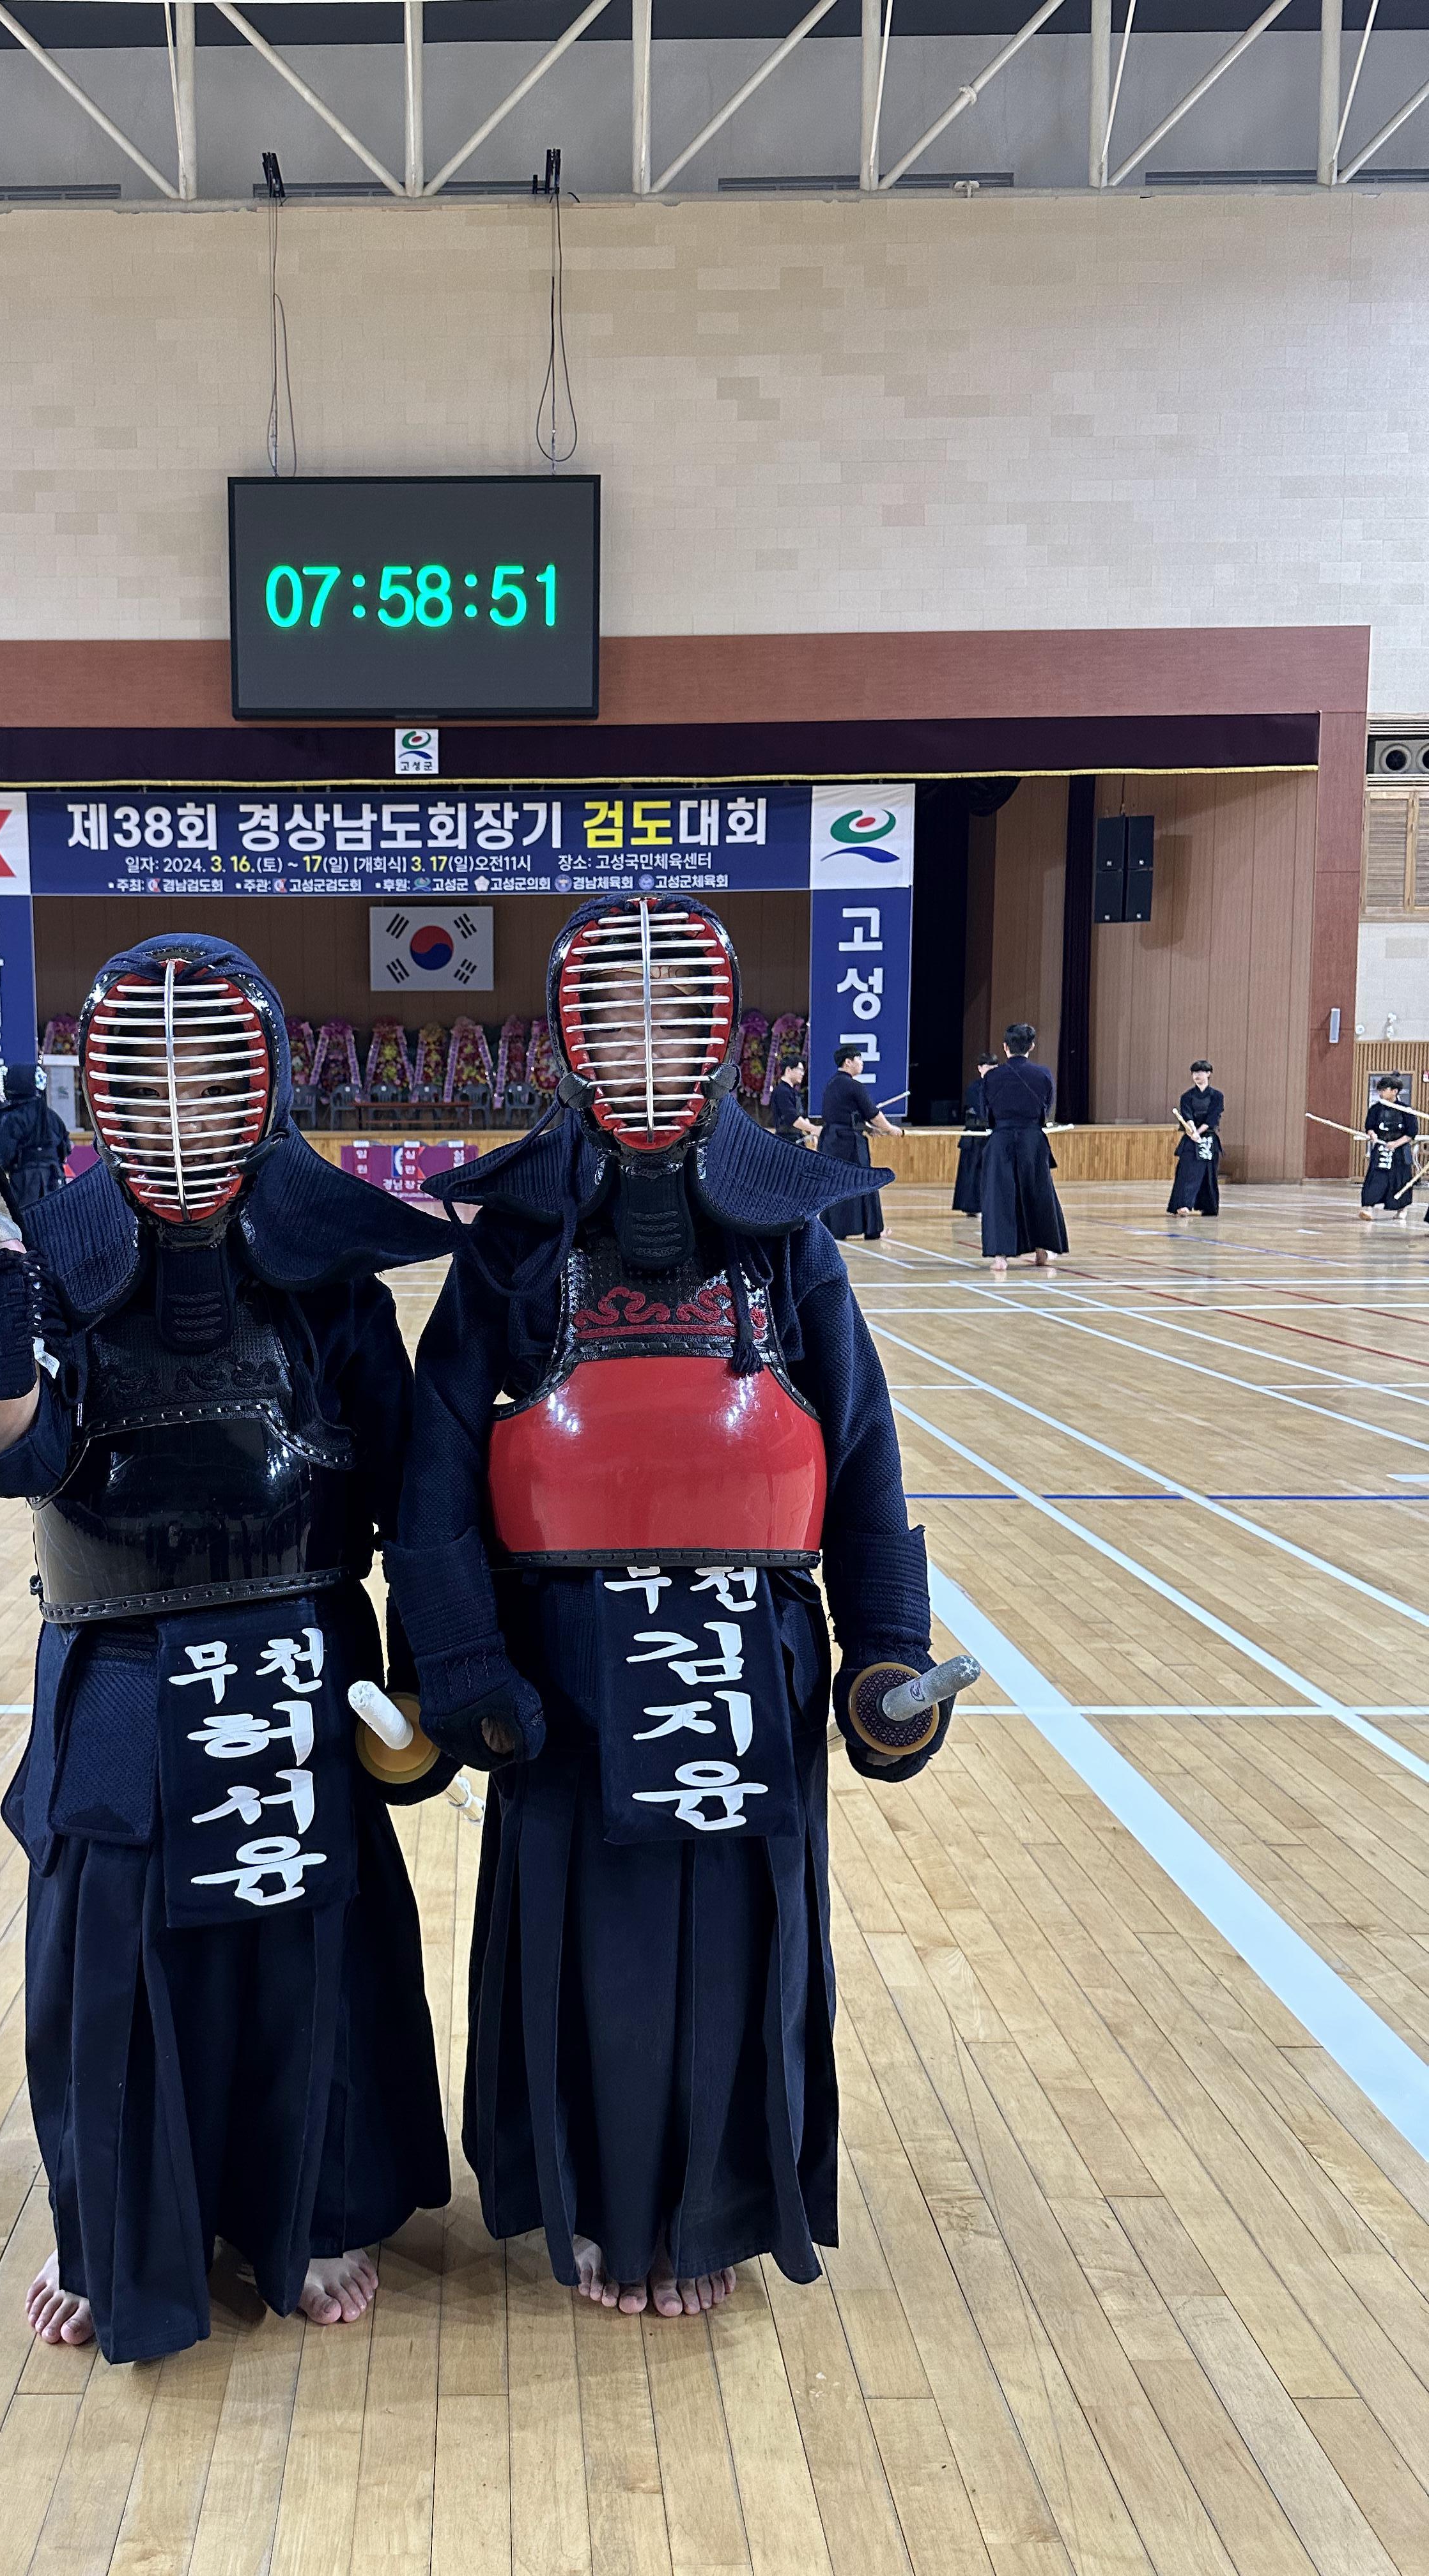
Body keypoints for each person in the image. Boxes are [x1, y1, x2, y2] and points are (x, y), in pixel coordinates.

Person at [387, 894, 956, 2323]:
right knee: (589, 1944)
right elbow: (435, 1468)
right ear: (572, 1038)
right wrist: (457, 1658)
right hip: (566, 1663)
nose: (643, 1045)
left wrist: (884, 1651)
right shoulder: (514, 1241)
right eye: (614, 1016)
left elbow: (862, 1449)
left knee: (733, 1947)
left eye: (671, 1016)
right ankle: (591, 2204)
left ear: (715, 1037)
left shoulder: (785, 1237)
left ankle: (710, 2210)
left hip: (749, 1651)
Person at [0, 931, 458, 2362]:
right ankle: (110, 2225)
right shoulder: (57, 1268)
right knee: (107, 1950)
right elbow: (17, 1458)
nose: (181, 1119)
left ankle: (310, 2205)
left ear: (262, 1093)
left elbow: (408, 1495)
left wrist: (423, 1673)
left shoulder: (333, 1286)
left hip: (300, 1649)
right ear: (108, 1104)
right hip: (119, 1663)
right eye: (146, 1093)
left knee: (302, 1947)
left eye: (208, 1086)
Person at [980, 1022, 1069, 1278]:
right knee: (1038, 1193)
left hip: (1001, 1139)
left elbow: (986, 1112)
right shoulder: (1042, 1074)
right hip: (1033, 1139)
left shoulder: (992, 1077)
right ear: (1032, 1046)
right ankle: (1042, 1252)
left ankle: (1000, 1258)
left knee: (1000, 1195)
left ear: (1005, 1047)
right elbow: (1047, 1108)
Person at [816, 1047, 898, 1242]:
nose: (862, 1064)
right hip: (849, 1143)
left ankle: (836, 1229)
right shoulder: (854, 1086)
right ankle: (873, 1230)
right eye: (859, 1060)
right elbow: (873, 1114)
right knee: (864, 1181)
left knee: (836, 1183)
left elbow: (846, 1114)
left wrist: (867, 1129)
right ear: (848, 1062)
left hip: (831, 1140)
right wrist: (891, 1129)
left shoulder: (831, 1085)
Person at [0, 1062, 70, 1211]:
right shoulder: (52, 1116)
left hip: (25, 1182)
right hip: (54, 1178)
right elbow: (65, 1149)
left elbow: (3, 1154)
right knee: (55, 1218)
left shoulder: (14, 1117)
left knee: (28, 1220)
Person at [1167, 1059, 1224, 1218]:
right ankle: (1183, 1205)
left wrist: (1199, 1132)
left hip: (1208, 1140)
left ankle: (1208, 1207)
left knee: (1207, 1174)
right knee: (1187, 1172)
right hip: (1190, 1140)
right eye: (1194, 1073)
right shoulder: (1187, 1096)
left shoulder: (1217, 1096)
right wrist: (1192, 1131)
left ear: (1208, 1074)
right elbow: (1187, 1115)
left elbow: (1213, 1117)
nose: (1197, 1076)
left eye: (1200, 1072)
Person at [1361, 1076, 1418, 1222]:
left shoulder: (1406, 1110)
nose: (1381, 1093)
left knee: (1400, 1180)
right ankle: (1368, 1208)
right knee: (1376, 1178)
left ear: (1394, 1091)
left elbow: (1411, 1133)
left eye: (1384, 1090)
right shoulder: (1376, 1109)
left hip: (1400, 1152)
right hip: (1381, 1149)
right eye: (1380, 1090)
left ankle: (1402, 1209)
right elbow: (1370, 1127)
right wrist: (1372, 1135)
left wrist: (1396, 1143)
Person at [952, 1054, 998, 1220]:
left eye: (994, 1068)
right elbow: (981, 1109)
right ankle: (973, 1207)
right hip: (976, 1134)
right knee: (973, 1171)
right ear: (980, 1068)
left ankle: (993, 1205)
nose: (991, 1071)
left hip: (993, 1134)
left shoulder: (1001, 1086)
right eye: (988, 1067)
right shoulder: (974, 1087)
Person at [768, 1049, 816, 1144]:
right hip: (786, 1141)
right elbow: (793, 1118)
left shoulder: (793, 1092)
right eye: (800, 1070)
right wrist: (815, 1129)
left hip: (797, 1139)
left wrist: (810, 1131)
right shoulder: (782, 1091)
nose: (802, 1074)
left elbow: (801, 1116)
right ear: (789, 1070)